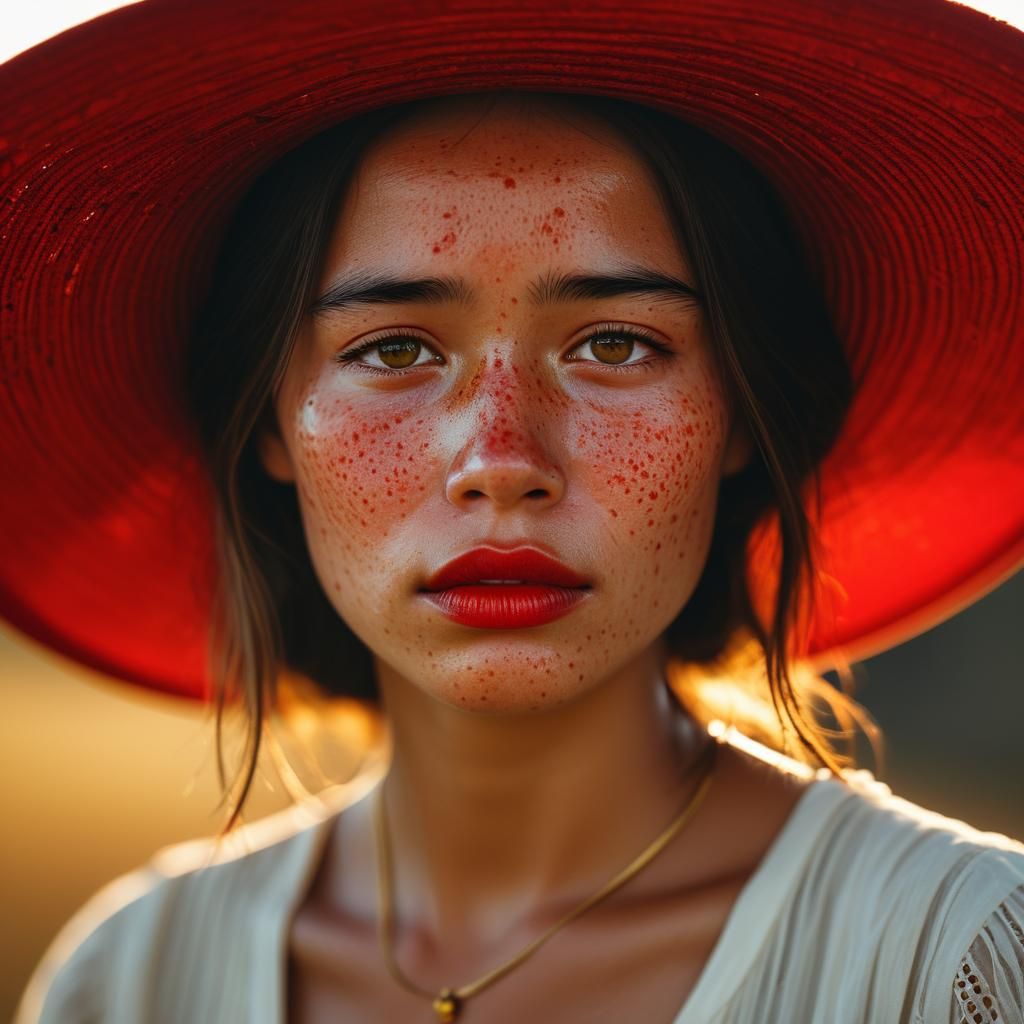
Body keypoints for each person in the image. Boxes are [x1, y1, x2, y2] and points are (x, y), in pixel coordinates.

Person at [3, 2, 1022, 1023]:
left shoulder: (959, 965)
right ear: (268, 420)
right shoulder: (132, 980)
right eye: (394, 350)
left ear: (741, 413)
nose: (501, 462)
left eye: (616, 344)